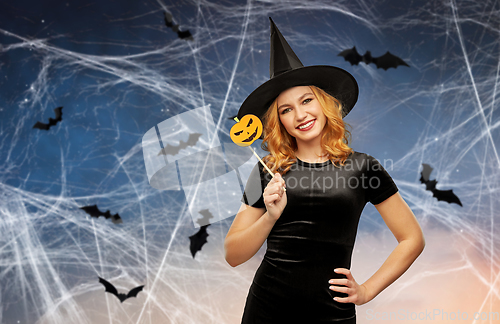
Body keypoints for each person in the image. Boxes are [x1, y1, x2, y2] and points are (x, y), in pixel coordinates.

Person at [224, 18, 425, 324]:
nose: (300, 115)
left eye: (307, 100)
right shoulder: (267, 170)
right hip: (266, 311)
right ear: (279, 121)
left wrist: (367, 290)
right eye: (286, 109)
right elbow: (234, 255)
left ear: (325, 104)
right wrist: (270, 215)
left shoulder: (363, 167)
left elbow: (412, 239)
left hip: (332, 314)